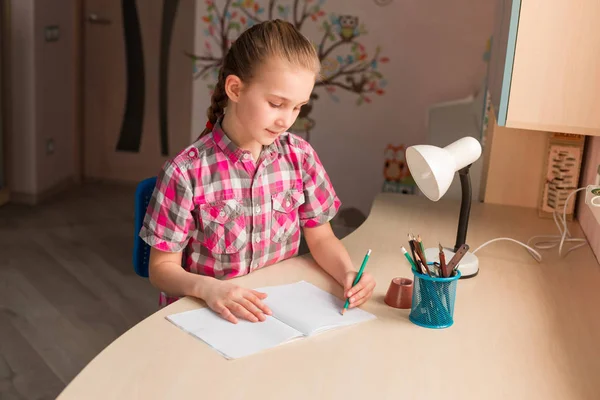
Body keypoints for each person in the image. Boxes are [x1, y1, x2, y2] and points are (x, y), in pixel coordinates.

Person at [139, 19, 375, 324]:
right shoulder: (185, 172)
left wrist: (348, 273)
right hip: (207, 314)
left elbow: (321, 239)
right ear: (235, 89)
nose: (286, 120)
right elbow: (161, 270)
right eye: (276, 104)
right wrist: (209, 290)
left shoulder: (300, 158)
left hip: (275, 312)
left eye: (298, 107)